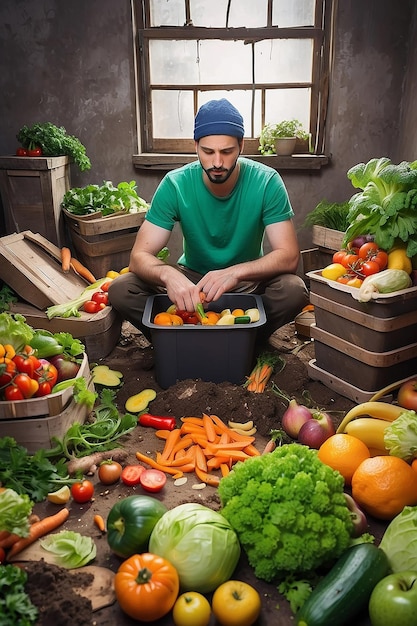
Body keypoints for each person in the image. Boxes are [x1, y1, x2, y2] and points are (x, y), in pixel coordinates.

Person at [108, 98, 309, 344]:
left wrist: (235, 273)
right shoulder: (175, 184)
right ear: (196, 146)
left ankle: (242, 342)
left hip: (247, 283)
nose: (217, 162)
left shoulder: (267, 181)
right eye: (207, 151)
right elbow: (139, 257)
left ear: (241, 146)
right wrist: (169, 276)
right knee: (121, 289)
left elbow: (289, 256)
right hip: (192, 281)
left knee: (293, 290)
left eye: (226, 151)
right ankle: (178, 341)